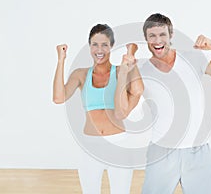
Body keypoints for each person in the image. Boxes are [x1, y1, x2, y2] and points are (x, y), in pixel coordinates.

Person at [140, 13, 211, 194]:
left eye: (162, 34)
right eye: (152, 36)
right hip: (161, 151)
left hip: (198, 151)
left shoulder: (194, 58)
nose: (157, 40)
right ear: (146, 39)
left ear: (170, 35)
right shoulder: (142, 70)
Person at [52, 24, 144, 194]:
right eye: (95, 44)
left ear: (111, 47)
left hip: (118, 143)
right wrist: (61, 60)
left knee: (121, 191)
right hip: (90, 145)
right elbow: (59, 97)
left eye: (104, 45)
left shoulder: (119, 72)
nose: (99, 49)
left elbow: (138, 89)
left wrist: (131, 57)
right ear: (89, 47)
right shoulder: (81, 74)